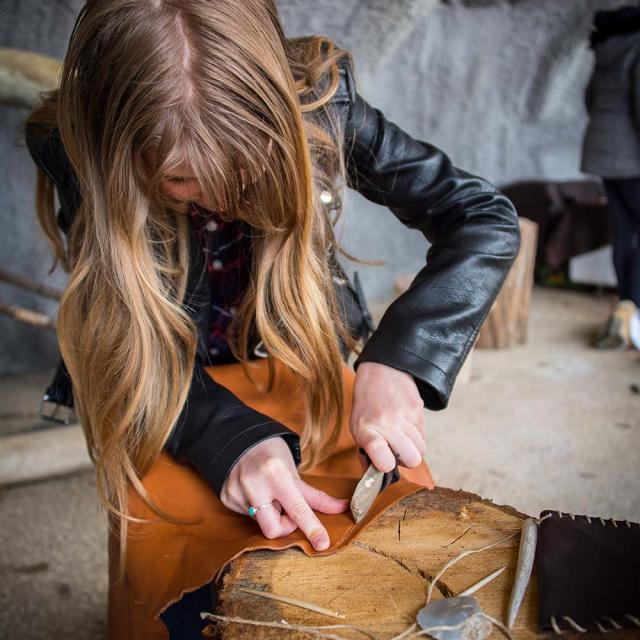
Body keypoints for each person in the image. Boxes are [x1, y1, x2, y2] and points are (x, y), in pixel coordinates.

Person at [23, 1, 520, 637]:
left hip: (294, 343)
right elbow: (115, 331)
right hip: (159, 376)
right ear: (117, 155)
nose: (228, 197)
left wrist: (400, 359)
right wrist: (228, 441)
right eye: (182, 178)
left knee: (395, 526)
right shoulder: (73, 143)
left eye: (251, 161)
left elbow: (482, 218)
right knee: (181, 557)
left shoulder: (325, 103)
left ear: (280, 114)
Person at [581, 4, 640, 350]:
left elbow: (591, 100)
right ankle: (632, 308)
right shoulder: (637, 46)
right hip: (633, 158)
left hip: (602, 153)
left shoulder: (605, 50)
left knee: (623, 232)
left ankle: (624, 304)